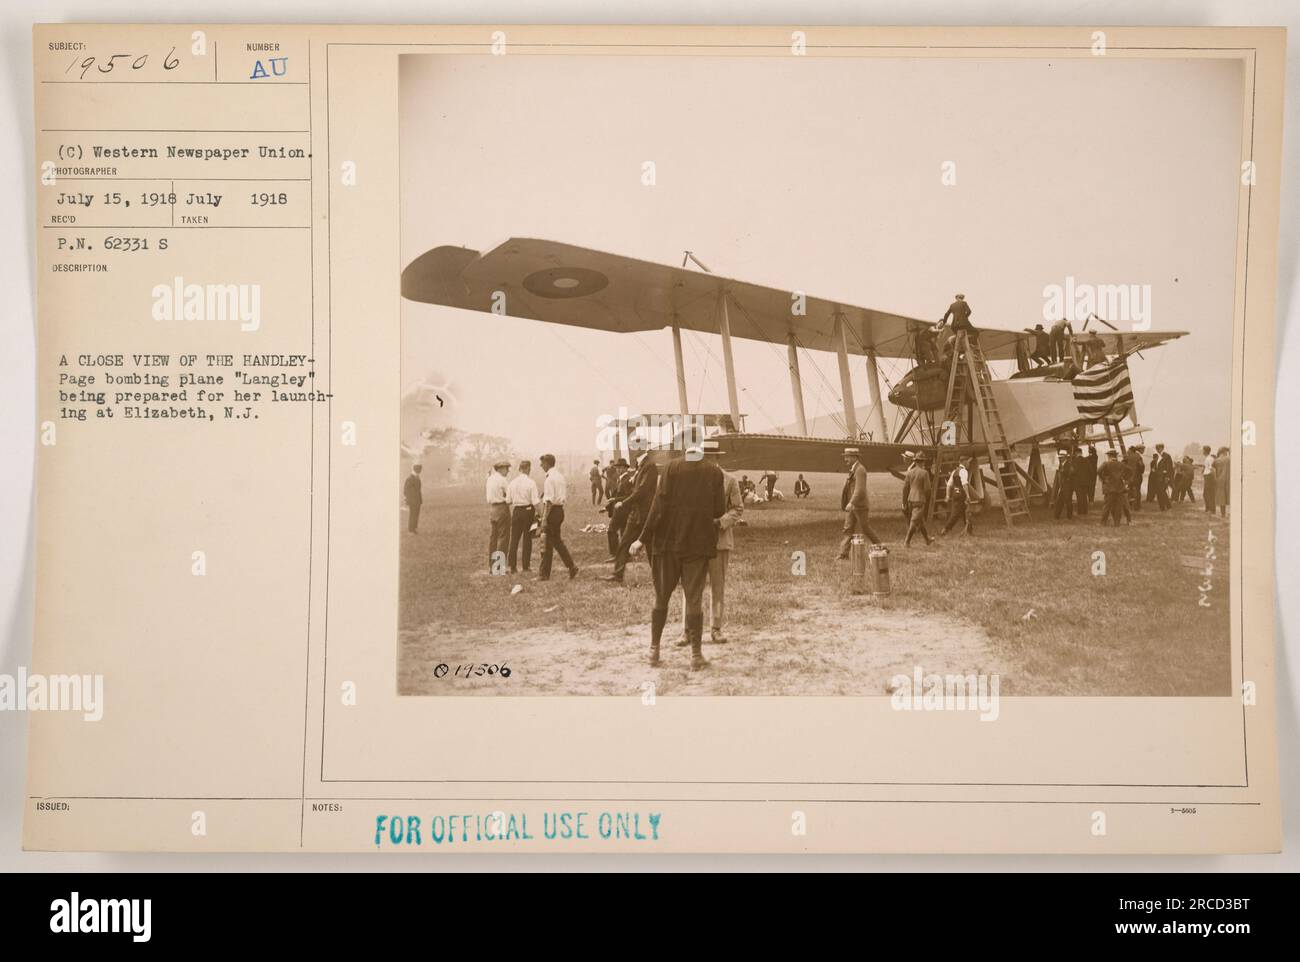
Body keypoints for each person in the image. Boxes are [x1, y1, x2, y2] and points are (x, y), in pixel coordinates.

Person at [633, 445, 726, 669]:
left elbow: (658, 506)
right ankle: (695, 656)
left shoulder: (671, 469)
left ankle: (653, 651)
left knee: (661, 598)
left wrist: (641, 539)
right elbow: (719, 510)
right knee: (694, 599)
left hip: (667, 544)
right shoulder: (714, 473)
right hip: (697, 544)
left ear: (684, 448)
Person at [675, 441, 743, 648]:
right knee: (691, 587)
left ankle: (716, 628)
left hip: (719, 542)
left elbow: (738, 509)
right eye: (705, 456)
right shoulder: (691, 480)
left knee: (717, 586)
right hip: (695, 543)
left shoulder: (730, 480)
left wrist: (719, 522)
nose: (709, 460)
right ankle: (687, 631)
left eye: (713, 456)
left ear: (718, 458)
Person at [605, 450, 658, 584]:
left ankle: (660, 576)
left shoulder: (649, 466)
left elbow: (642, 491)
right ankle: (618, 574)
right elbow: (636, 490)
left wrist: (623, 502)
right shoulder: (641, 466)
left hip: (645, 514)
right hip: (636, 514)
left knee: (651, 547)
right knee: (624, 543)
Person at [537, 454, 579, 581]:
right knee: (556, 542)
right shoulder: (559, 476)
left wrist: (544, 519)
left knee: (547, 543)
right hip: (559, 511)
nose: (541, 466)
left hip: (552, 511)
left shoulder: (549, 479)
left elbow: (549, 501)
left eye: (542, 463)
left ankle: (544, 574)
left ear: (547, 463)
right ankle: (571, 566)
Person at [837, 448, 883, 558]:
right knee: (848, 528)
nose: (845, 459)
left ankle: (882, 547)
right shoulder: (854, 469)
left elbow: (860, 490)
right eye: (845, 456)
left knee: (866, 528)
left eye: (847, 456)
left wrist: (851, 503)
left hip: (859, 505)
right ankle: (843, 554)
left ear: (855, 457)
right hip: (853, 505)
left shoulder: (860, 469)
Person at [506, 459, 540, 574]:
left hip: (516, 511)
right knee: (527, 539)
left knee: (514, 539)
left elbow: (508, 501)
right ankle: (525, 566)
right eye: (529, 469)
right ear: (527, 469)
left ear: (520, 469)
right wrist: (540, 514)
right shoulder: (531, 483)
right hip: (528, 511)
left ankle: (513, 567)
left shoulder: (512, 483)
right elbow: (535, 501)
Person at [902, 453, 935, 546]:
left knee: (919, 520)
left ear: (915, 461)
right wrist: (928, 497)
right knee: (914, 521)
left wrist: (904, 502)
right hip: (920, 499)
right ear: (923, 462)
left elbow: (905, 488)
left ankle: (927, 539)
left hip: (910, 499)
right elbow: (928, 489)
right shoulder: (924, 473)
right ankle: (907, 541)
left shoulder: (910, 472)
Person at [485, 459, 511, 572]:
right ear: (500, 469)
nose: (508, 471)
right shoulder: (503, 480)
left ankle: (492, 566)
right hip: (502, 508)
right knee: (503, 538)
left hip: (492, 509)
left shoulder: (489, 479)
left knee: (493, 538)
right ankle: (499, 567)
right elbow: (509, 498)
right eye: (506, 468)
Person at [603, 457, 632, 557]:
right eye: (617, 468)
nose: (618, 470)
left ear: (625, 468)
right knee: (624, 533)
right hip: (621, 510)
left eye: (620, 468)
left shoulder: (627, 480)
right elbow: (616, 495)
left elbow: (629, 496)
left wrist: (614, 500)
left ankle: (615, 554)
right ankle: (625, 555)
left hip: (622, 510)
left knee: (611, 531)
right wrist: (606, 508)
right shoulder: (621, 480)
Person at [1097, 448, 1129, 526]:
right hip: (1120, 488)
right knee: (1118, 506)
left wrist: (1104, 479)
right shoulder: (1121, 464)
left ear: (1109, 455)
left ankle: (1103, 522)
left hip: (1109, 488)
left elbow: (1098, 471)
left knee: (1107, 506)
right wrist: (1126, 480)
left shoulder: (1106, 463)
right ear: (1116, 456)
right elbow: (1129, 471)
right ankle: (1117, 523)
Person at [1051, 449, 1075, 520]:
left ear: (1065, 457)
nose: (1060, 458)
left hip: (1067, 486)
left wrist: (1066, 476)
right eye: (1059, 457)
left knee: (1068, 501)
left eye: (1061, 457)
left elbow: (1072, 472)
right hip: (1063, 486)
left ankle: (1069, 516)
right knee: (1060, 501)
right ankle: (1057, 516)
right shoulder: (1062, 464)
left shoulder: (1068, 464)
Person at [403, 463, 423, 534]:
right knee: (413, 514)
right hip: (413, 500)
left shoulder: (416, 477)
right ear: (416, 470)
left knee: (416, 514)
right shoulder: (410, 478)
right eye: (420, 470)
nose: (420, 471)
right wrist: (409, 499)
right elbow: (405, 490)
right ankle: (411, 529)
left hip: (417, 499)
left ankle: (414, 528)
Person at [1124, 446, 1145, 512]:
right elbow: (1141, 466)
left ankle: (1130, 506)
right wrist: (1140, 472)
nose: (1127, 451)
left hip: (1129, 478)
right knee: (1137, 492)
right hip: (1137, 477)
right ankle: (1136, 507)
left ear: (1131, 450)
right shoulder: (1138, 457)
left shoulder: (1127, 457)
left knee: (1129, 492)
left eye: (1128, 450)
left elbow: (1123, 465)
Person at [1214, 447, 1230, 518]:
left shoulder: (1217, 460)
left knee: (1221, 497)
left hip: (1220, 480)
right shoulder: (1229, 459)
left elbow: (1213, 468)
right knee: (1229, 495)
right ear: (1224, 452)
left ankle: (1223, 514)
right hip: (1229, 479)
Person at [1202, 445, 1217, 515]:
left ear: (1205, 451)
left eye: (1203, 450)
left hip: (1210, 477)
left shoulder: (1210, 458)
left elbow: (1212, 469)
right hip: (1207, 477)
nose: (1202, 451)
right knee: (1205, 494)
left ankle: (1212, 510)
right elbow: (1207, 468)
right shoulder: (1207, 458)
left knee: (1210, 494)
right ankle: (1208, 508)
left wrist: (1214, 478)